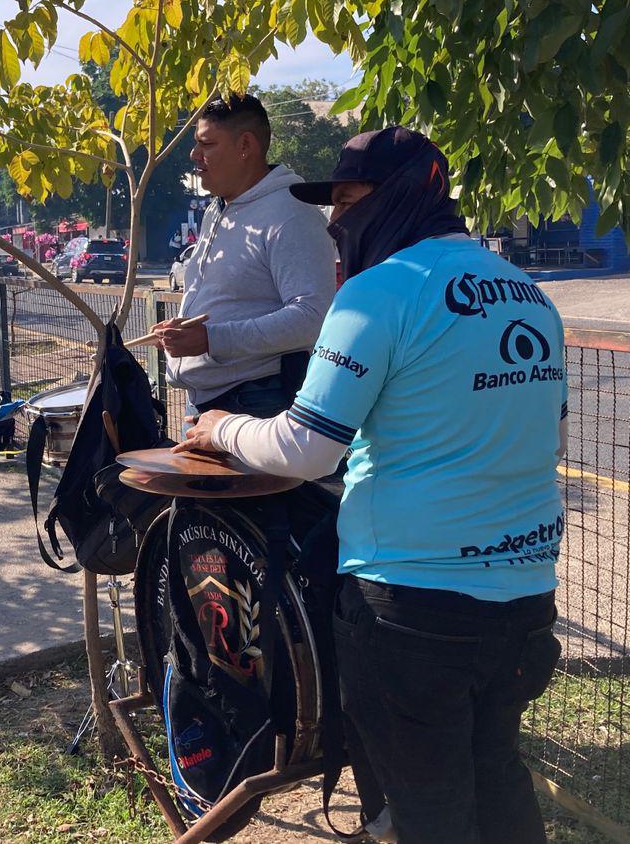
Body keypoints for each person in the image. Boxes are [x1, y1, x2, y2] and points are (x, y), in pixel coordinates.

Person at [176, 127, 568, 844]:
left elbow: (305, 448)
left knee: (431, 812)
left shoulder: (376, 295)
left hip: (412, 612)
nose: (334, 223)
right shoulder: (529, 296)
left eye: (350, 200)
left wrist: (222, 427)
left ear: (403, 196)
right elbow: (544, 428)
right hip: (525, 602)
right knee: (499, 779)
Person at [151, 94, 337, 419]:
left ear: (245, 146)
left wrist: (212, 339)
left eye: (206, 144)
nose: (194, 155)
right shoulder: (216, 209)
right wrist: (183, 334)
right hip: (206, 404)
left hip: (257, 405)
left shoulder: (291, 213)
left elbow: (313, 317)